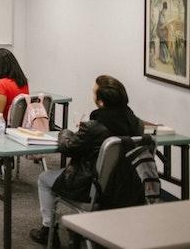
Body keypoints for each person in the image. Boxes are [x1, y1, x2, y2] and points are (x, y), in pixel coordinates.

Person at [29, 75, 144, 245]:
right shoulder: (137, 124)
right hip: (125, 188)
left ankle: (48, 231)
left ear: (101, 102)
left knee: (44, 179)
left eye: (94, 93)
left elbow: (68, 147)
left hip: (90, 186)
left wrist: (65, 132)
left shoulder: (94, 127)